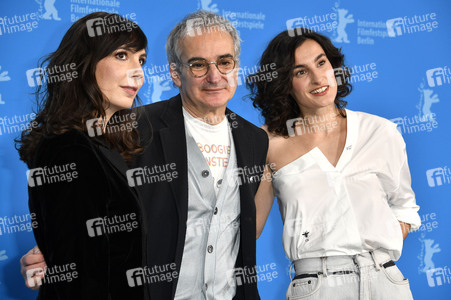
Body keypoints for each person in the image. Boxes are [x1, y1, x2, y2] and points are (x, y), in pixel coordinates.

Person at [21, 10, 268, 299]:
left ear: (236, 66)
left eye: (225, 62)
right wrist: (52, 256)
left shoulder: (255, 140)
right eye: (198, 64)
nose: (215, 76)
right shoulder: (130, 130)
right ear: (176, 72)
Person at [248, 28, 421, 299]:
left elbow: (405, 206)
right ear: (284, 83)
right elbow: (250, 228)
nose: (319, 78)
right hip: (317, 286)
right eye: (301, 71)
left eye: (321, 63)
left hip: (386, 280)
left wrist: (379, 247)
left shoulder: (380, 131)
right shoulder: (270, 143)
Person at [16, 12, 149, 299]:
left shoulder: (104, 146)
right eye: (122, 55)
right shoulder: (69, 148)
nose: (138, 71)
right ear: (84, 64)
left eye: (141, 59)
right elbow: (80, 276)